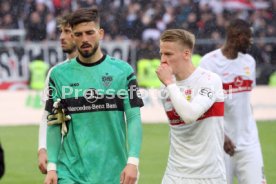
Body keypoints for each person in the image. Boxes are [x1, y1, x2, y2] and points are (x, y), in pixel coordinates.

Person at [44, 8, 143, 184]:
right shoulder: (58, 75)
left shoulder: (123, 72)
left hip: (113, 171)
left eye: (90, 33)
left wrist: (133, 161)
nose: (84, 39)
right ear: (73, 37)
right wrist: (52, 166)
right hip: (70, 173)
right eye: (79, 34)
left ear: (100, 33)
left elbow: (134, 117)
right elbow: (54, 123)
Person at [200, 19, 267, 184]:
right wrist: (222, 136)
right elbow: (202, 106)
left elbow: (245, 101)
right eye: (248, 37)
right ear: (236, 36)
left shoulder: (249, 63)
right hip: (219, 143)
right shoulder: (209, 63)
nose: (251, 42)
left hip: (249, 142)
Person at [156, 29, 226, 184]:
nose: (163, 60)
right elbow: (178, 131)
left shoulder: (209, 80)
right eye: (161, 53)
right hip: (174, 174)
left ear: (186, 54)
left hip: (209, 176)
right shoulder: (166, 89)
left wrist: (169, 84)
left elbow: (189, 116)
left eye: (168, 54)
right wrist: (169, 85)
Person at [38, 13, 78, 174]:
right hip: (65, 161)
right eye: (61, 31)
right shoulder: (55, 73)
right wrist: (42, 148)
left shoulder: (104, 71)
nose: (62, 37)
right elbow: (48, 114)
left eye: (67, 31)